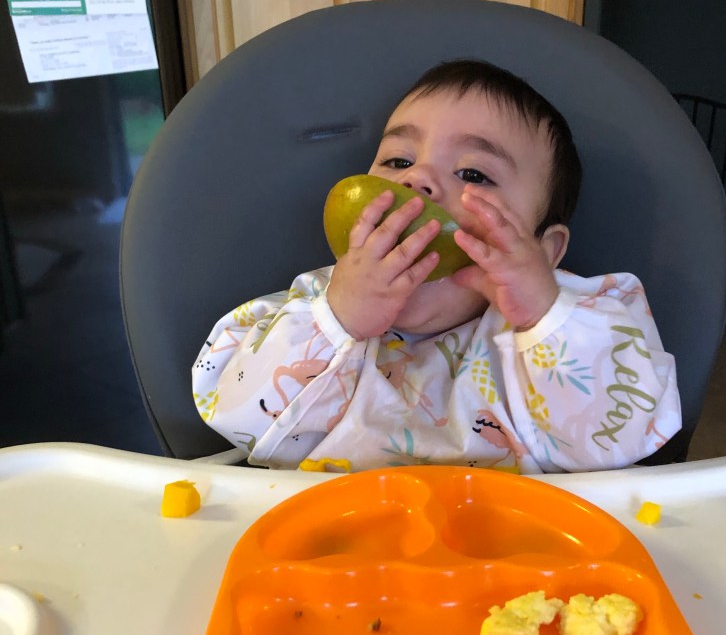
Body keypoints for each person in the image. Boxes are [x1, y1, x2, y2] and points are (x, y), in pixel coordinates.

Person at [192, 59, 681, 473]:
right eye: (398, 161)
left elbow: (623, 440)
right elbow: (238, 420)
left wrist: (543, 315)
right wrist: (337, 321)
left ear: (545, 250)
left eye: (473, 173)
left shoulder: (580, 320)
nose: (419, 179)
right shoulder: (315, 305)